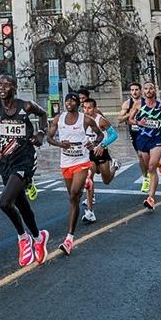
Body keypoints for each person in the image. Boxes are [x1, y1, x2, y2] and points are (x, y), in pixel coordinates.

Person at [0, 74, 50, 266]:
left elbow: (43, 115)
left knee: (4, 203)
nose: (1, 88)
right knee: (21, 204)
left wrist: (41, 133)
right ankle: (38, 237)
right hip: (5, 162)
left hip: (25, 160)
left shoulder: (25, 106)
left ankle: (22, 238)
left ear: (14, 87)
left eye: (5, 84)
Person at [47, 93, 104, 255]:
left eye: (72, 100)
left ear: (78, 103)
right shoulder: (59, 118)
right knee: (72, 198)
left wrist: (94, 143)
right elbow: (49, 138)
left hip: (82, 162)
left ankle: (69, 238)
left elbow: (100, 134)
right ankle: (87, 183)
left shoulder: (85, 119)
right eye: (67, 100)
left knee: (74, 194)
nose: (68, 102)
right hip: (66, 164)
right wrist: (60, 144)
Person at [129, 81, 161, 210]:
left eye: (151, 88)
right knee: (149, 167)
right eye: (146, 89)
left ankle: (151, 198)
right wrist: (139, 122)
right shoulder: (138, 104)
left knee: (151, 167)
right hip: (142, 139)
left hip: (157, 138)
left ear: (155, 90)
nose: (148, 91)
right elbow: (130, 120)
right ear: (144, 91)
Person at [119, 83, 161, 193]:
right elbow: (120, 119)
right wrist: (132, 114)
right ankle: (154, 169)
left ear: (141, 91)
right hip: (136, 133)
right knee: (142, 158)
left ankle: (146, 179)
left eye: (136, 90)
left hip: (152, 135)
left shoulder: (152, 103)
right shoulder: (128, 103)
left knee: (145, 159)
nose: (134, 92)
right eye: (132, 90)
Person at [81, 97, 120, 223]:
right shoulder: (80, 120)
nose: (87, 110)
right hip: (89, 155)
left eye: (89, 108)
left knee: (106, 180)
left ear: (95, 108)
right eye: (84, 107)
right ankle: (90, 211)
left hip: (102, 154)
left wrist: (103, 145)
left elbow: (114, 135)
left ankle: (115, 166)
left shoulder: (101, 120)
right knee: (89, 179)